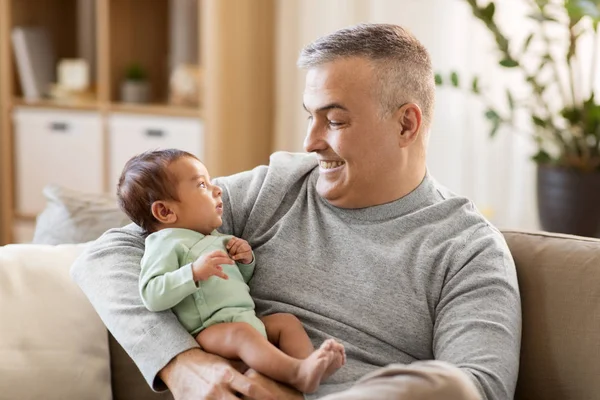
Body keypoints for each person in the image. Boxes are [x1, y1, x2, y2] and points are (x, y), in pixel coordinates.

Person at [72, 23, 521, 400]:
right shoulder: (280, 185)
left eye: (336, 120)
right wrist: (183, 364)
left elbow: (478, 388)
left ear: (406, 123)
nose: (311, 141)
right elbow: (107, 253)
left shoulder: (467, 248)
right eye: (311, 116)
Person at [115, 149, 345, 394]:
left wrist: (245, 261)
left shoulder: (216, 238)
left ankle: (309, 366)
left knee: (285, 322)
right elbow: (151, 294)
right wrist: (192, 273)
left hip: (245, 320)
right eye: (202, 184)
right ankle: (297, 373)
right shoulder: (165, 242)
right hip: (208, 331)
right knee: (241, 334)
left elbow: (233, 283)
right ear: (165, 212)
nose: (217, 189)